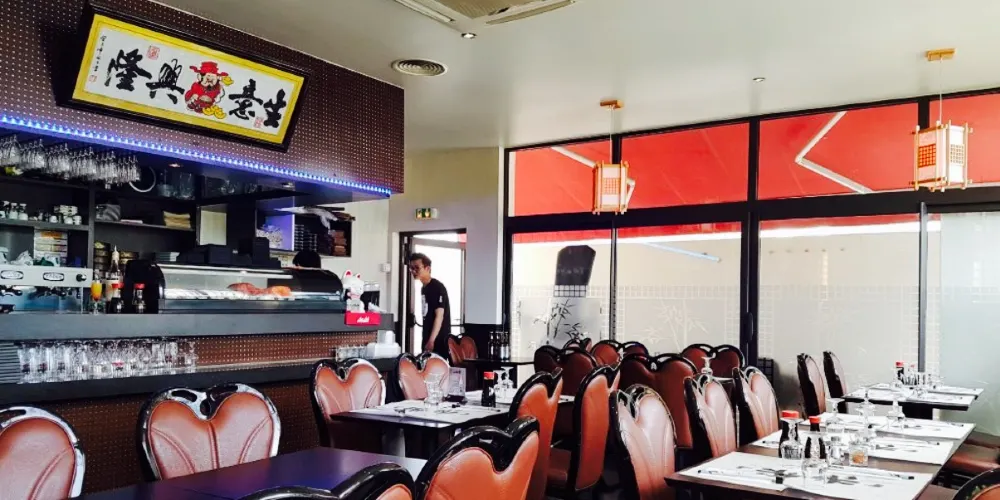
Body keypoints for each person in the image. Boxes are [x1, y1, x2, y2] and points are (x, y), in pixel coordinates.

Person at [409, 253, 453, 358]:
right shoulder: (424, 288)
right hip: (427, 336)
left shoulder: (437, 287)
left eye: (417, 268)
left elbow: (439, 316)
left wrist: (431, 340)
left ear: (427, 268)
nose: (413, 271)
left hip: (438, 340)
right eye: (411, 268)